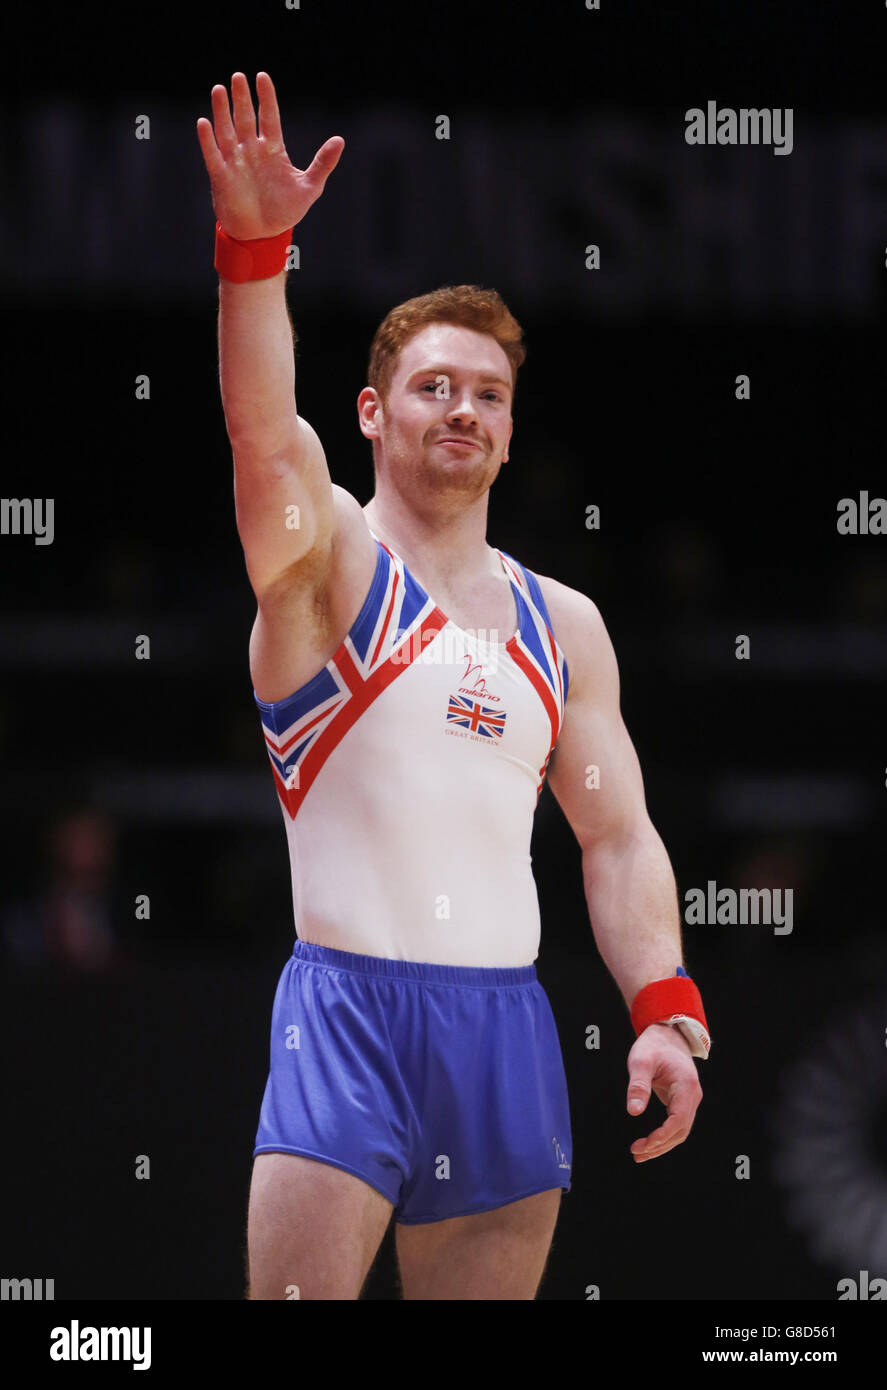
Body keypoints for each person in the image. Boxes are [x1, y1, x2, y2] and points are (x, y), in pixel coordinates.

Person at [196, 71, 709, 1301]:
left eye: (488, 395)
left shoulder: (561, 624)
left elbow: (618, 834)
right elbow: (264, 436)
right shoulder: (323, 566)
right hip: (346, 1020)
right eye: (434, 387)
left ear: (512, 432)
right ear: (372, 412)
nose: (463, 411)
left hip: (504, 1032)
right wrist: (254, 251)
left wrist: (661, 1004)